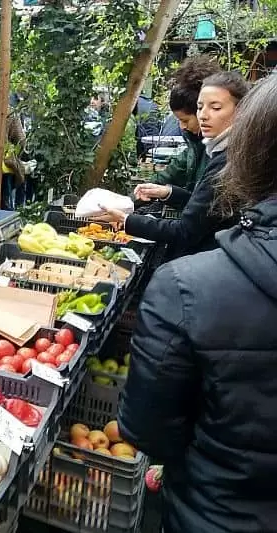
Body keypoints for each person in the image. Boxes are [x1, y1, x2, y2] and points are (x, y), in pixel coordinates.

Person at [117, 73, 277, 533]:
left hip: (213, 511)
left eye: (216, 108)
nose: (203, 117)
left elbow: (146, 430)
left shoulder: (185, 290)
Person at [94, 71, 249, 260]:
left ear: (241, 110)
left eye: (215, 108)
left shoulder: (229, 160)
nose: (204, 115)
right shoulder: (219, 150)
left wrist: (126, 220)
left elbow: (186, 230)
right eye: (200, 107)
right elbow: (206, 207)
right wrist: (167, 192)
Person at [146, 56, 221, 193]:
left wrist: (170, 194)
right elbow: (173, 172)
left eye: (185, 120)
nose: (182, 127)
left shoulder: (221, 152)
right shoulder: (196, 142)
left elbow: (202, 203)